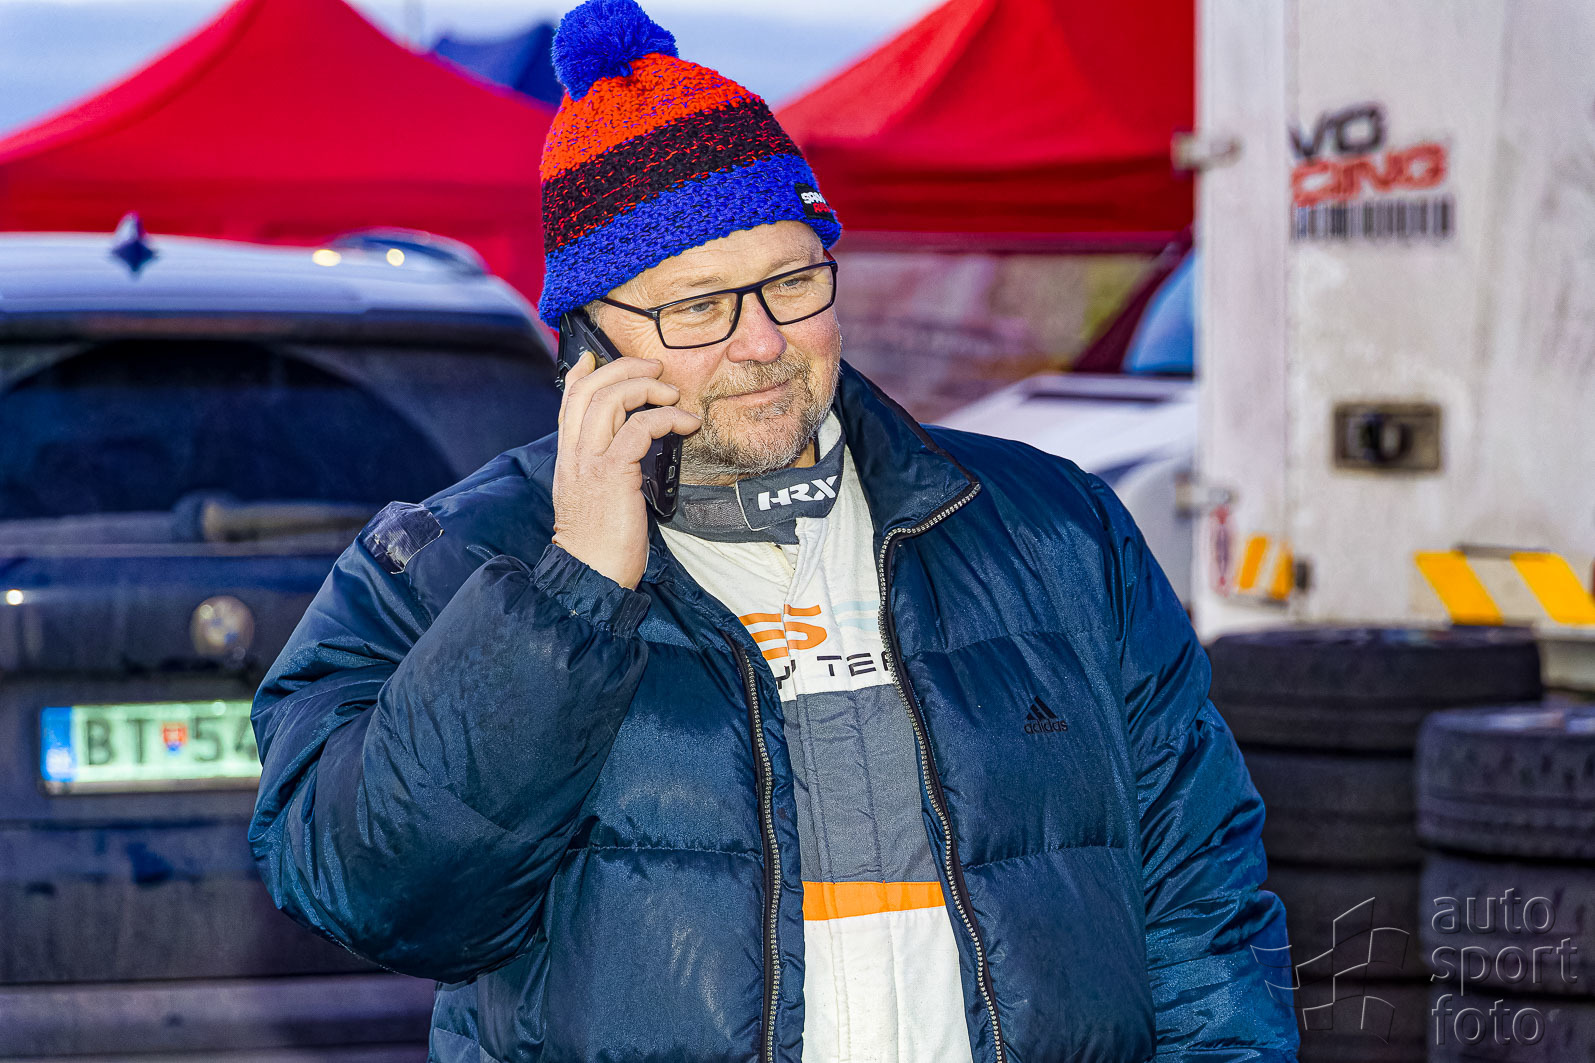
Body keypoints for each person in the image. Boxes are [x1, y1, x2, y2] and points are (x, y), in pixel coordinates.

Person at [249, 1, 1298, 1060]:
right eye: (698, 306)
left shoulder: (1055, 532)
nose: (762, 341)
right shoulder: (442, 566)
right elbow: (381, 897)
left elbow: (1201, 908)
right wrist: (574, 592)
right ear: (590, 345)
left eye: (793, 283)